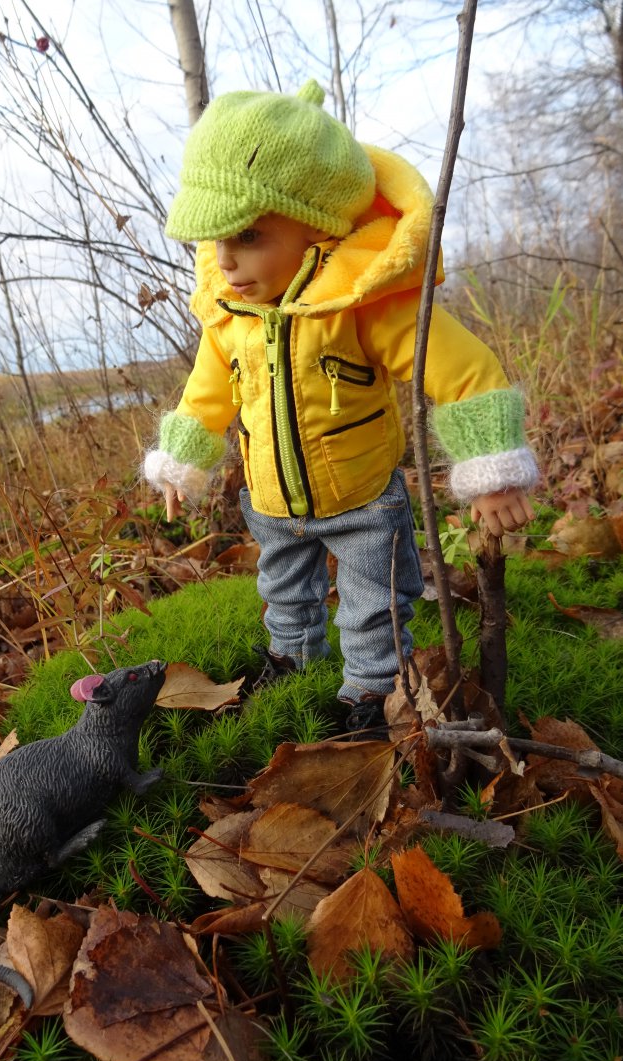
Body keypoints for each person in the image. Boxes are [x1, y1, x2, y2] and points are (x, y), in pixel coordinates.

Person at [143, 80, 537, 732]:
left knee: (374, 606)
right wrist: (184, 456)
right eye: (215, 240)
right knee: (283, 589)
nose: (227, 260)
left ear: (317, 221)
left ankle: (372, 692)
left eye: (249, 234)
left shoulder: (361, 303)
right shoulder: (232, 314)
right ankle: (292, 656)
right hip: (270, 503)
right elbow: (208, 390)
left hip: (360, 500)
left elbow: (460, 367)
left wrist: (491, 464)